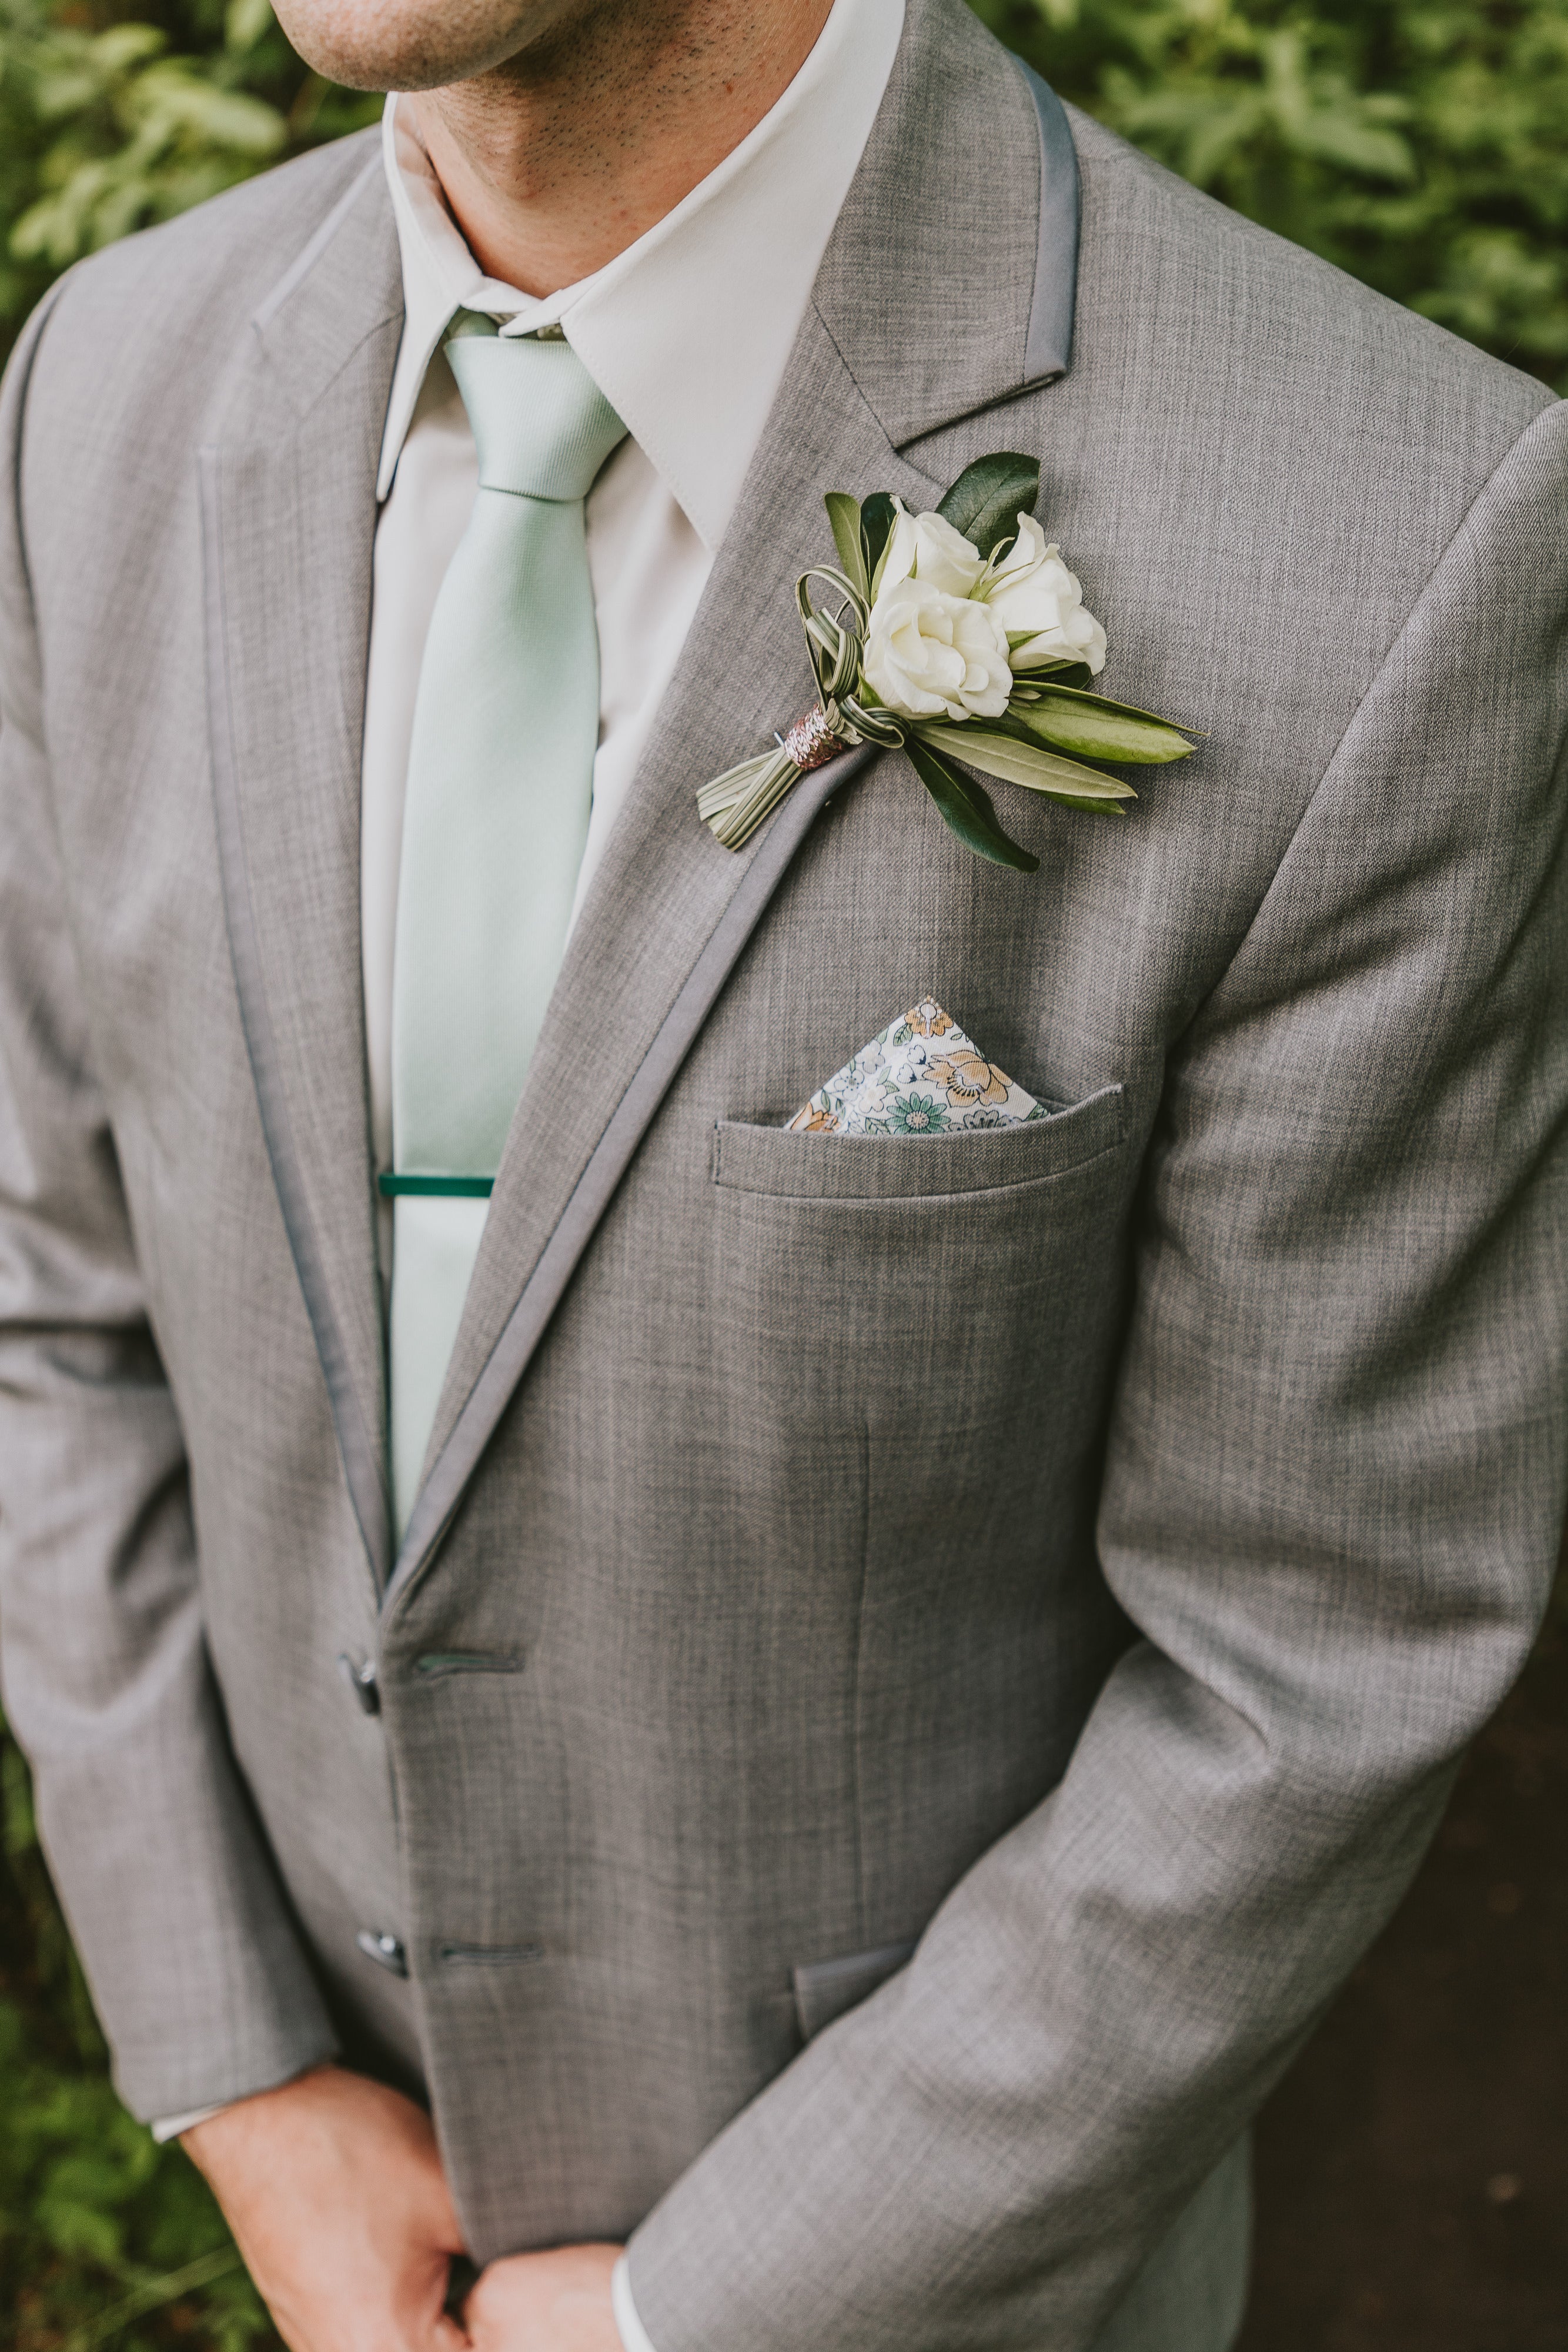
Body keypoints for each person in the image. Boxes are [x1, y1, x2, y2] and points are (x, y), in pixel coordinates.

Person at [1, 0, 1564, 2343]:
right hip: (343, 2225)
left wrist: (694, 2312)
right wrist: (232, 2067)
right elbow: (52, 1286)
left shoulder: (1392, 532)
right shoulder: (98, 385)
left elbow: (1312, 1647)